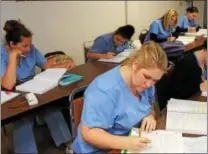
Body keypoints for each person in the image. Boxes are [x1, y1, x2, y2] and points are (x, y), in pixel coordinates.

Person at [72, 41, 168, 153]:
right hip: (100, 150)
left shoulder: (146, 84)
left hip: (131, 141)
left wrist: (150, 116)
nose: (149, 84)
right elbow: (89, 133)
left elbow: (147, 107)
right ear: (135, 65)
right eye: (147, 77)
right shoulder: (104, 89)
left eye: (155, 80)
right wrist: (125, 142)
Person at [1, 20, 72, 153]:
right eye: (25, 46)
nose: (29, 49)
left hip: (34, 87)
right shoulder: (1, 55)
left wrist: (64, 66)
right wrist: (12, 59)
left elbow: (47, 67)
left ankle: (69, 145)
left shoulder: (31, 49)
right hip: (13, 94)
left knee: (52, 110)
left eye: (30, 44)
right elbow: (8, 85)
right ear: (12, 44)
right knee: (23, 121)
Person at [156, 40, 207, 110]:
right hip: (171, 106)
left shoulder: (202, 63)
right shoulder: (187, 63)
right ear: (205, 50)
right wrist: (198, 87)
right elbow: (175, 90)